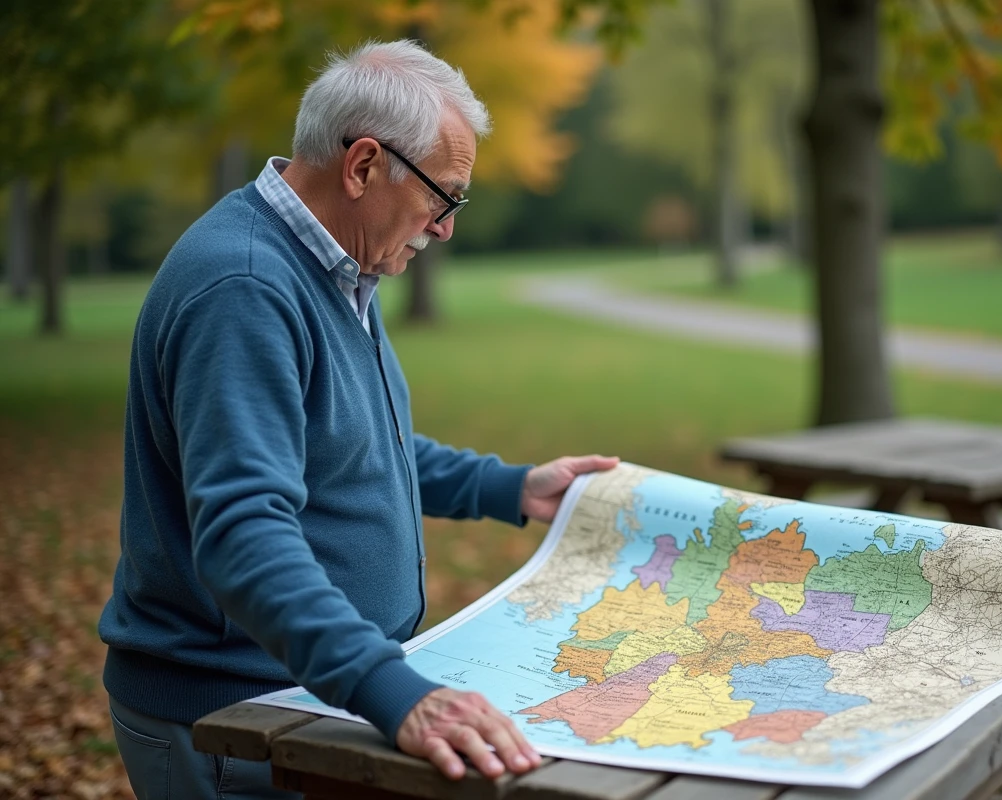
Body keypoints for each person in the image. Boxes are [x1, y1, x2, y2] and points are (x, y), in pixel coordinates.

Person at [98, 40, 619, 799]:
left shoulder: (330, 264)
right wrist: (392, 692)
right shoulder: (245, 285)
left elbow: (348, 447)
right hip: (233, 719)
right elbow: (245, 534)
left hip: (300, 696)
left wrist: (512, 489)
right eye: (444, 197)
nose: (445, 227)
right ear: (365, 165)